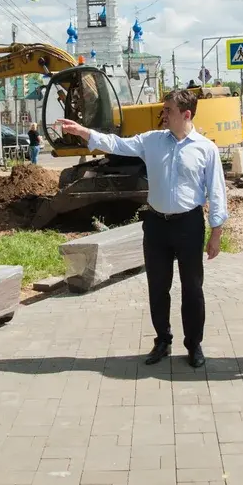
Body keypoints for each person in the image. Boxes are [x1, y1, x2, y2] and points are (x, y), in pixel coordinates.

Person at [59, 89, 227, 368]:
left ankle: (194, 344)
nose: (163, 115)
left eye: (168, 110)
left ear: (186, 114)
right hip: (156, 224)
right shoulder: (152, 141)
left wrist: (216, 233)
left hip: (189, 225)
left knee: (192, 288)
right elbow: (117, 144)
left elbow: (217, 192)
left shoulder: (206, 148)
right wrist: (84, 133)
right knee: (157, 286)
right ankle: (163, 339)